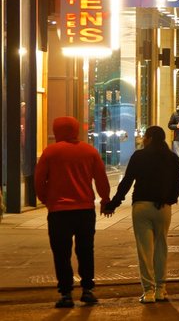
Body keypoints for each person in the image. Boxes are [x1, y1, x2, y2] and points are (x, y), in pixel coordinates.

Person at [34, 116, 111, 308]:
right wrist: (105, 199)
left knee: (61, 252)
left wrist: (47, 200)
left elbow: (38, 180)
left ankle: (66, 293)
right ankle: (87, 289)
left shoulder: (50, 152)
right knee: (86, 250)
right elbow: (101, 178)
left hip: (59, 211)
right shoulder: (89, 151)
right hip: (85, 210)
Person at [103, 126, 179, 304]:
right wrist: (169, 199)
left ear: (149, 138)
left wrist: (113, 204)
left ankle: (148, 291)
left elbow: (126, 182)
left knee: (144, 249)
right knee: (161, 247)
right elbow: (178, 183)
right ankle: (161, 290)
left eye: (145, 136)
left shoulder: (139, 156)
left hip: (141, 206)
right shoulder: (171, 157)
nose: (143, 139)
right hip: (162, 207)